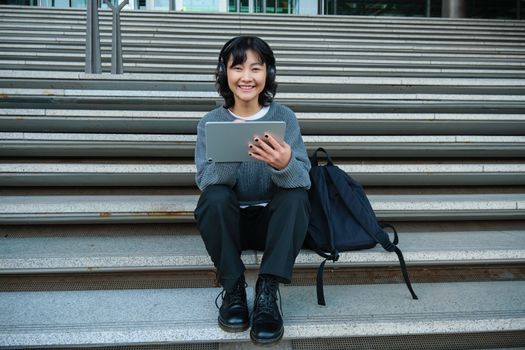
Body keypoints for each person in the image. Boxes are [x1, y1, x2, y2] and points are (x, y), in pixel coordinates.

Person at [194, 36, 311, 346]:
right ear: (224, 74)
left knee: (297, 196)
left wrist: (285, 163)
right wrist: (232, 154)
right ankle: (233, 290)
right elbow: (205, 181)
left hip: (273, 225)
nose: (247, 77)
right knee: (214, 197)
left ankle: (267, 291)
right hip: (231, 225)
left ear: (268, 75)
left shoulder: (284, 117)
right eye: (238, 68)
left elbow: (303, 179)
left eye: (256, 68)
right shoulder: (211, 122)